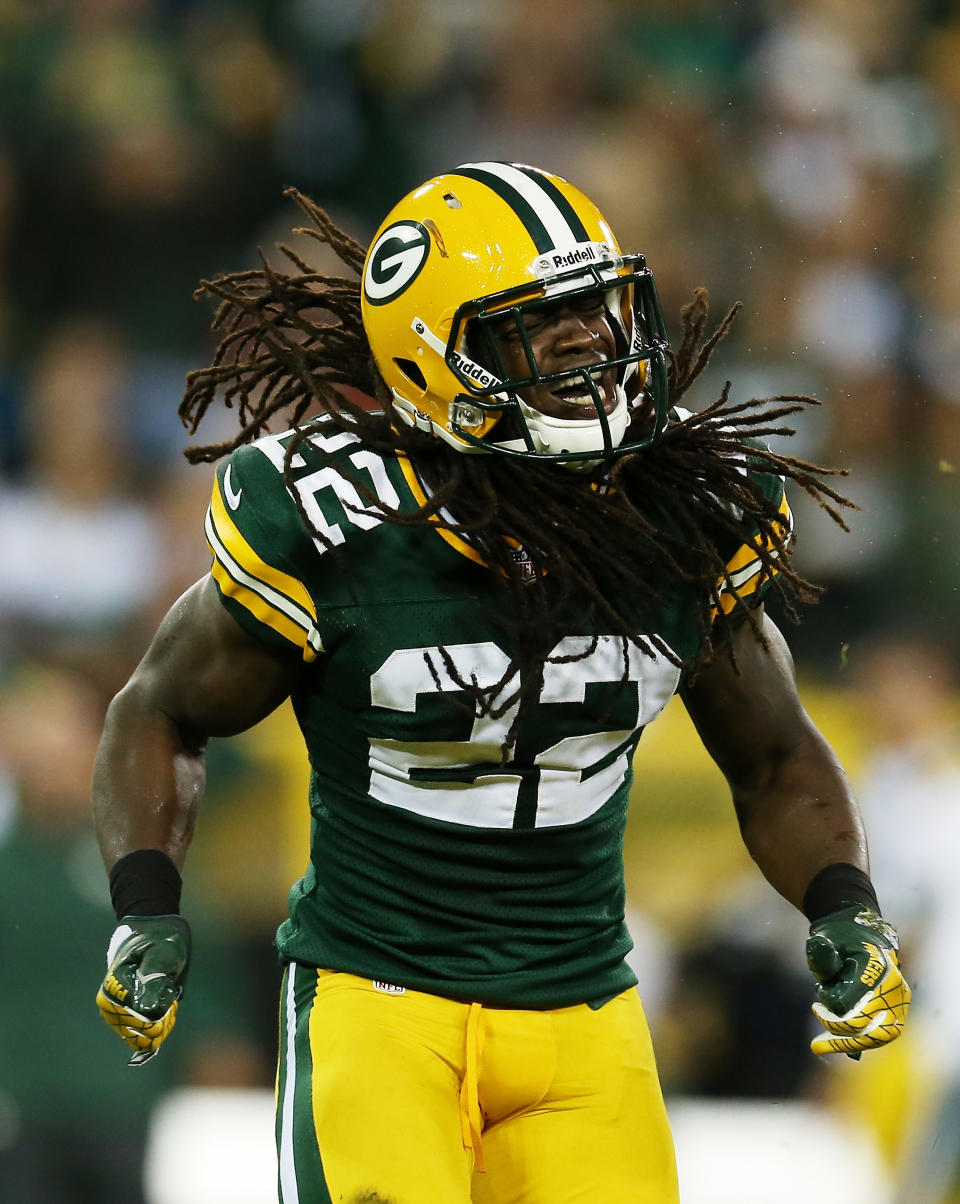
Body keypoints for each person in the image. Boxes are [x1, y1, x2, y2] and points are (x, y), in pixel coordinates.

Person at [93, 161, 910, 1204]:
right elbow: (161, 708)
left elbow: (775, 752)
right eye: (541, 325)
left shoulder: (680, 519)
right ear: (439, 358)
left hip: (585, 1013)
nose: (594, 349)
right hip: (381, 1002)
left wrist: (844, 903)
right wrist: (145, 903)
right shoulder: (338, 523)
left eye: (597, 310)